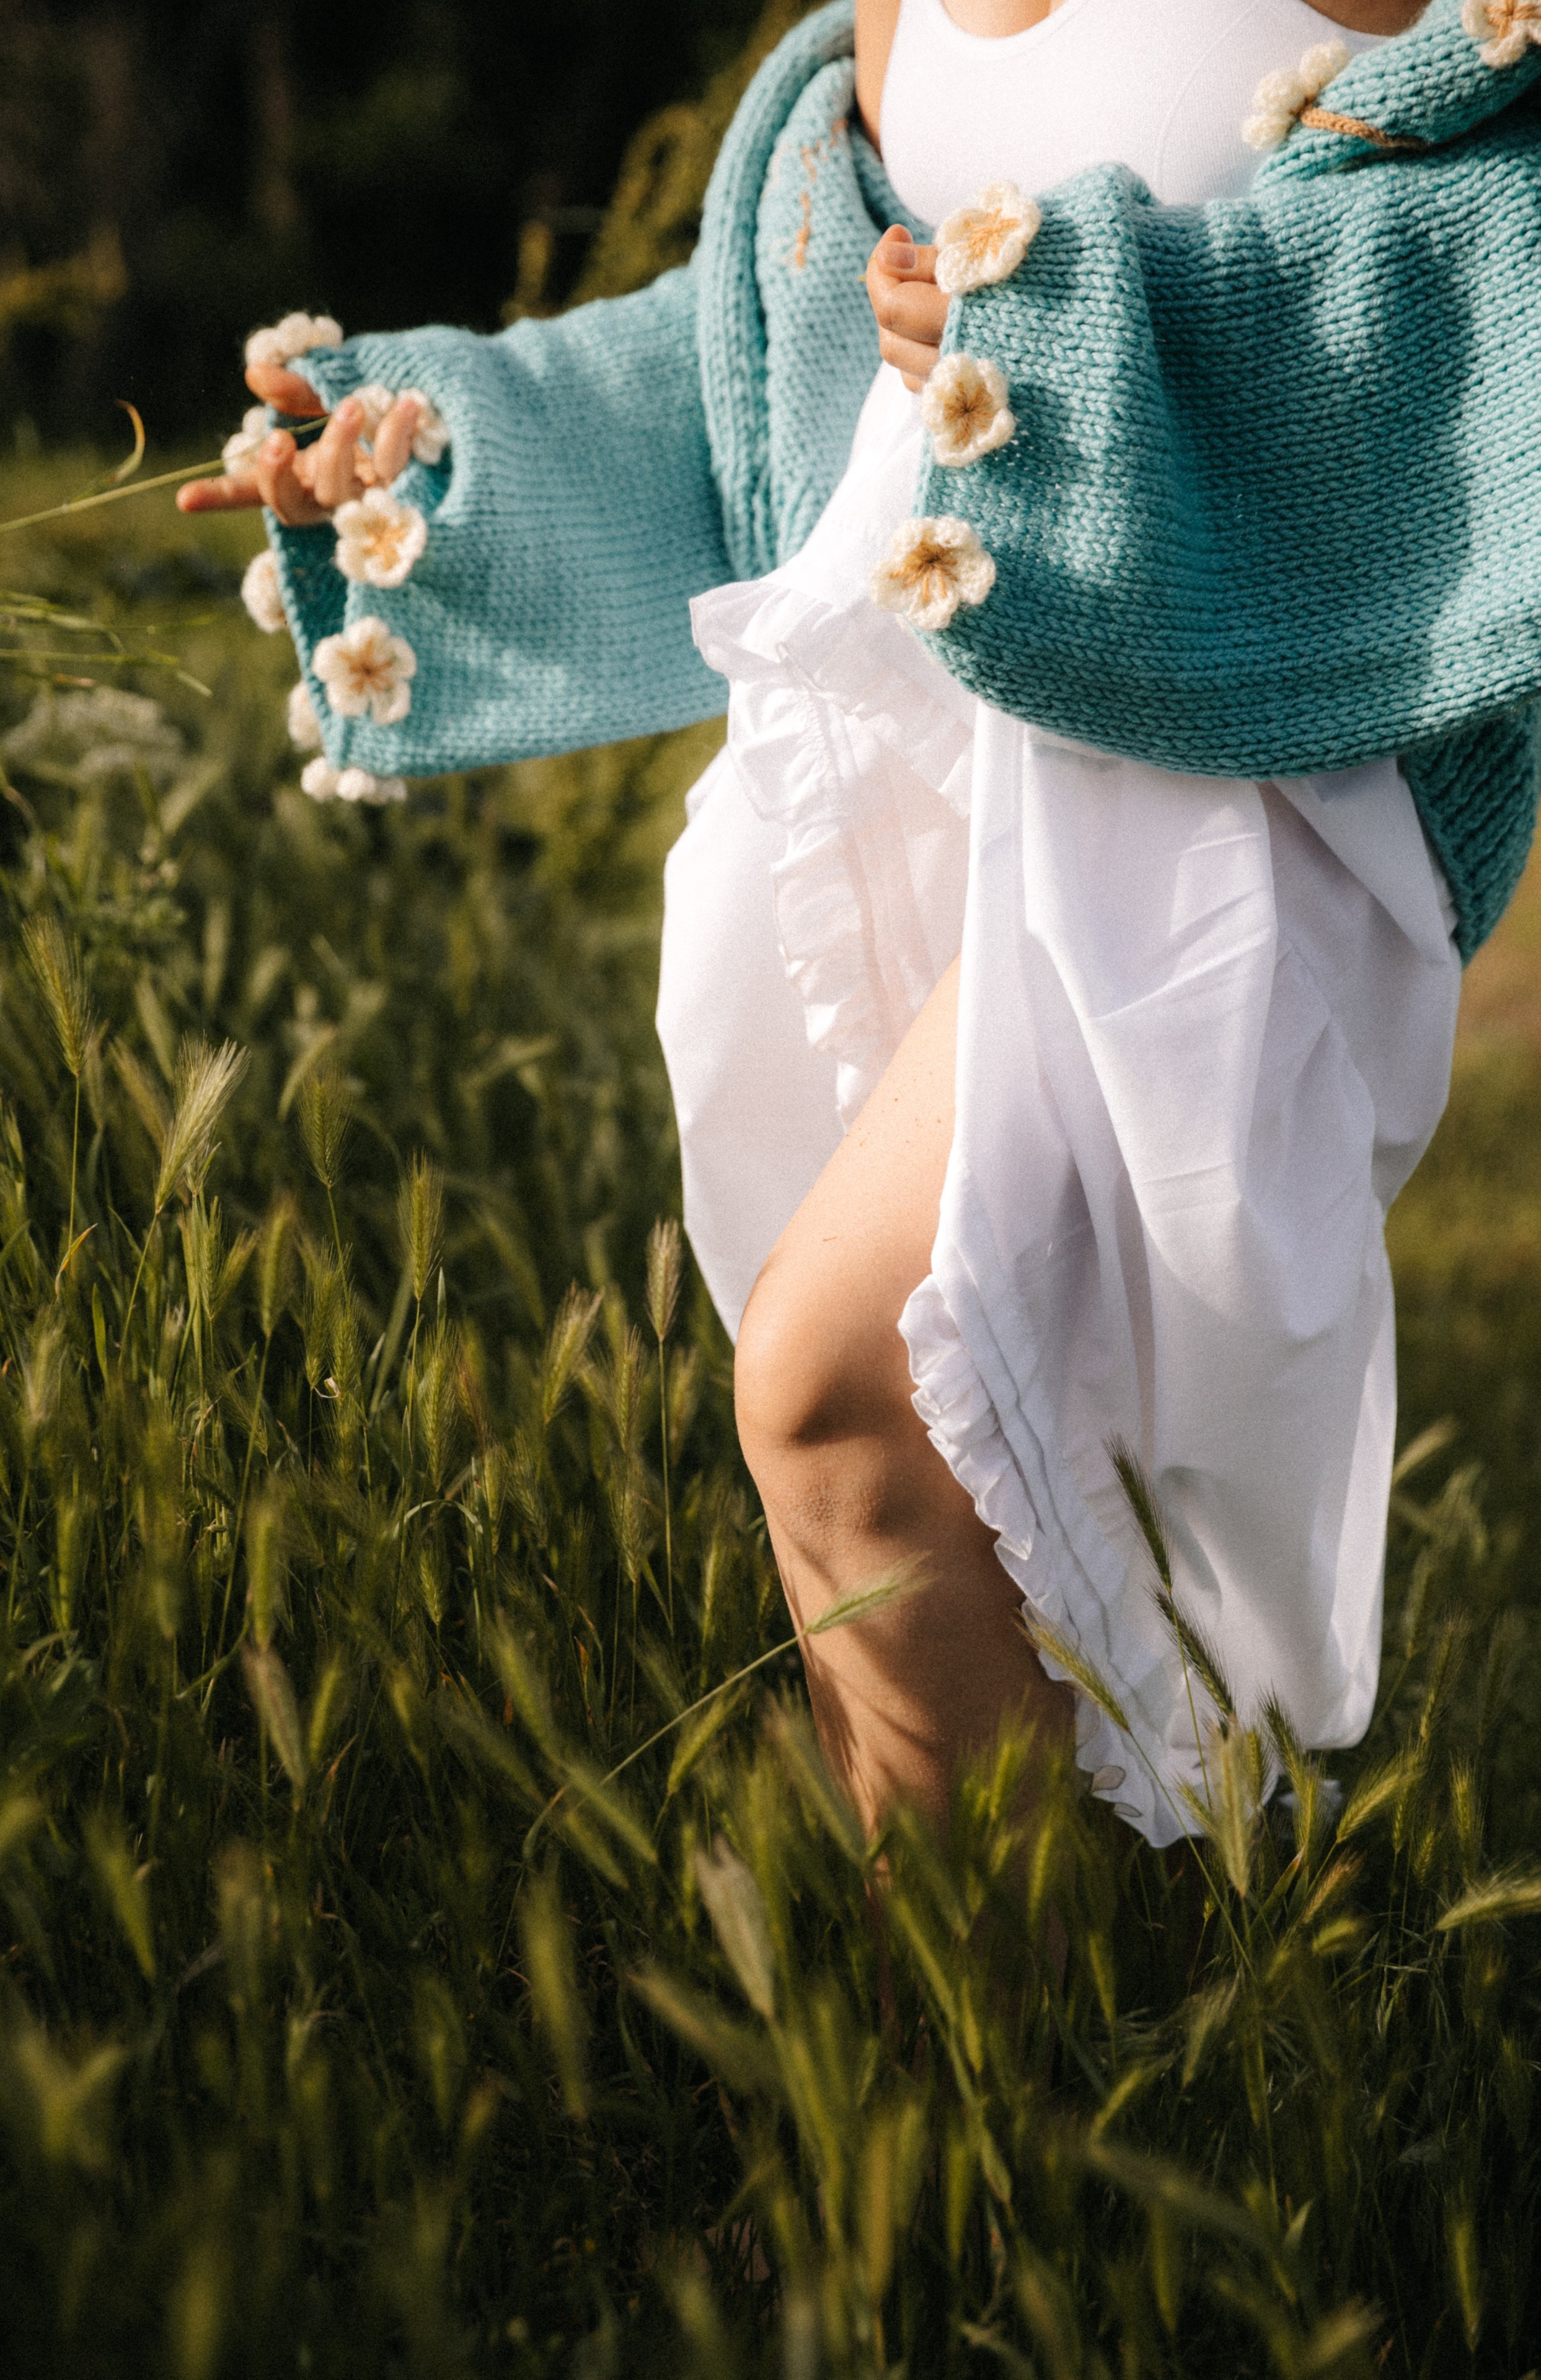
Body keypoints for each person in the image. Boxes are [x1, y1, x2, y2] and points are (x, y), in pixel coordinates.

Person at [180, 0, 1541, 1846]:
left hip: (1238, 785)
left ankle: (973, 2081)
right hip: (920, 747)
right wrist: (422, 459)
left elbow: (1476, 270)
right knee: (928, 1488)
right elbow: (745, 349)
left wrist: (1085, 328)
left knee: (840, 1379)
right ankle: (995, 2067)